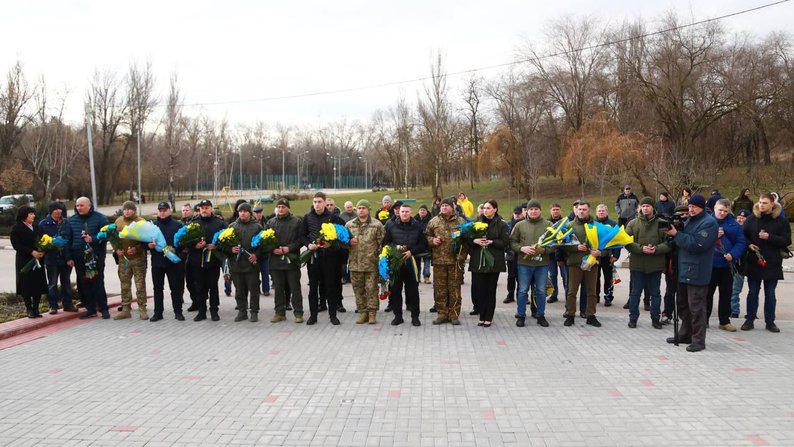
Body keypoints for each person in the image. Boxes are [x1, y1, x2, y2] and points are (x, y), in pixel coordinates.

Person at [665, 194, 718, 352]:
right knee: (683, 305)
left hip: (698, 271)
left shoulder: (709, 223)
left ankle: (698, 340)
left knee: (696, 307)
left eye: (695, 207)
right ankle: (685, 334)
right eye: (690, 207)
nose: (691, 209)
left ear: (702, 207)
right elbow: (682, 240)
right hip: (683, 269)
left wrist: (677, 235)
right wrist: (673, 236)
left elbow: (697, 244)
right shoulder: (689, 221)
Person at [741, 193, 791, 333]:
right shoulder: (751, 219)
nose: (761, 205)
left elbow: (787, 240)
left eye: (765, 203)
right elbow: (743, 236)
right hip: (754, 261)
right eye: (760, 202)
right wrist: (749, 245)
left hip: (772, 262)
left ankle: (770, 321)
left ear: (772, 205)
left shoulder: (781, 221)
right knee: (752, 292)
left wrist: (770, 237)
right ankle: (749, 319)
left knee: (770, 293)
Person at [300, 192, 346, 325]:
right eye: (315, 202)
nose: (317, 204)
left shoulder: (333, 217)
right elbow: (302, 235)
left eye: (319, 201)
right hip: (313, 258)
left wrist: (330, 244)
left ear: (325, 203)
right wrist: (308, 244)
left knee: (330, 287)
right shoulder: (307, 217)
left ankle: (333, 316)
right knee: (313, 288)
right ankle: (313, 316)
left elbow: (342, 237)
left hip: (329, 258)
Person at [624, 197, 670, 329]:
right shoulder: (632, 223)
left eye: (648, 206)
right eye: (643, 206)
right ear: (640, 208)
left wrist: (656, 249)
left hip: (655, 264)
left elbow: (669, 243)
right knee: (635, 293)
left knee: (655, 293)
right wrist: (640, 248)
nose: (645, 208)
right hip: (638, 264)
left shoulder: (662, 223)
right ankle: (633, 318)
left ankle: (655, 319)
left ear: (653, 208)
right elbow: (626, 242)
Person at [62, 197, 110, 319]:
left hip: (96, 256)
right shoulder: (71, 221)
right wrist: (68, 257)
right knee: (84, 283)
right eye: (77, 206)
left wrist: (93, 239)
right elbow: (67, 240)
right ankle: (91, 309)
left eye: (81, 205)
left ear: (89, 206)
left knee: (98, 282)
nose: (79, 208)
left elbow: (107, 235)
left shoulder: (100, 218)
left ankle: (104, 309)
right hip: (78, 257)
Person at [463, 199, 508, 327]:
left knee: (490, 290)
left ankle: (489, 316)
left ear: (495, 209)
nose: (485, 210)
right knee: (480, 289)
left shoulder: (501, 224)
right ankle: (481, 316)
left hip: (493, 261)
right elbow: (467, 239)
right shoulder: (476, 222)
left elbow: (505, 242)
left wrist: (492, 242)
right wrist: (475, 241)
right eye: (484, 208)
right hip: (478, 260)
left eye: (488, 208)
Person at [509, 199, 553, 327]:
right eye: (531, 209)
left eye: (536, 209)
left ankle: (540, 315)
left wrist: (544, 250)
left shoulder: (548, 224)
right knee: (523, 290)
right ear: (526, 211)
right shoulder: (519, 225)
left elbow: (555, 244)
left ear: (540, 210)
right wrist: (522, 249)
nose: (533, 211)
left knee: (540, 291)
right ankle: (521, 315)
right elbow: (512, 242)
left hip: (542, 265)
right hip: (524, 264)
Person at [383, 203, 428, 326]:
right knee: (396, 291)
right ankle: (398, 316)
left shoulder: (417, 226)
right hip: (396, 264)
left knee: (413, 291)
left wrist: (411, 252)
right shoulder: (391, 225)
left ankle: (415, 317)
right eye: (402, 211)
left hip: (412, 263)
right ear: (399, 212)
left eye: (407, 212)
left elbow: (423, 244)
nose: (404, 214)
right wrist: (395, 247)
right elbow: (385, 243)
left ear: (411, 212)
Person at [425, 197, 467, 325]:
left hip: (455, 261)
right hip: (439, 261)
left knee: (454, 289)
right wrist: (432, 241)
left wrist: (462, 256)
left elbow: (466, 240)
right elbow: (427, 235)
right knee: (440, 289)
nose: (444, 208)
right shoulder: (434, 221)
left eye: (446, 206)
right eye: (442, 206)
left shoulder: (461, 221)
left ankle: (454, 314)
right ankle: (442, 314)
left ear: (452, 207)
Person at [707, 199, 745, 332]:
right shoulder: (707, 222)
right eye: (720, 210)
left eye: (725, 211)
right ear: (714, 208)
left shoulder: (734, 224)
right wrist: (713, 236)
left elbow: (741, 243)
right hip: (709, 265)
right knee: (707, 293)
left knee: (726, 294)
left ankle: (724, 321)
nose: (722, 213)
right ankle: (704, 320)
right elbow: (699, 239)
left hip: (727, 266)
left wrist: (733, 254)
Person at [264, 198, 304, 323]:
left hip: (291, 262)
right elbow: (264, 240)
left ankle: (298, 313)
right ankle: (279, 313)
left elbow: (301, 240)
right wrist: (272, 249)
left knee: (295, 288)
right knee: (278, 289)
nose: (281, 209)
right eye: (279, 207)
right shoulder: (270, 222)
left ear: (288, 208)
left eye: (283, 207)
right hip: (275, 262)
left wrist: (289, 248)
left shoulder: (297, 221)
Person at [563, 202, 602, 327]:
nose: (581, 211)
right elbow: (562, 246)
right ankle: (570, 315)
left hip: (592, 264)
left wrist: (600, 252)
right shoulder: (569, 226)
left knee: (592, 291)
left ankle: (590, 315)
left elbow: (606, 245)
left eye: (584, 209)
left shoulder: (597, 226)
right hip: (575, 264)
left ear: (589, 211)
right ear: (576, 210)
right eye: (579, 209)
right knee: (571, 291)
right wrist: (575, 247)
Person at [187, 199, 227, 322]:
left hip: (213, 262)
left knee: (213, 286)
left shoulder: (219, 223)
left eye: (206, 207)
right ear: (199, 209)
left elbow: (227, 240)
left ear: (211, 209)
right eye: (202, 208)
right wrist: (195, 245)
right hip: (197, 262)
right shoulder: (193, 223)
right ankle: (202, 311)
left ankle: (214, 311)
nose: (204, 210)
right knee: (200, 287)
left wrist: (216, 246)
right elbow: (185, 241)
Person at [346, 199, 385, 324]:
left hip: (371, 264)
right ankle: (363, 312)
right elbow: (342, 243)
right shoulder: (349, 225)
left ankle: (372, 313)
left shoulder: (377, 225)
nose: (361, 210)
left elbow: (381, 244)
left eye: (363, 208)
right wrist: (348, 242)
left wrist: (379, 260)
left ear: (368, 209)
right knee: (358, 290)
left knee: (371, 289)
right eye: (359, 208)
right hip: (354, 264)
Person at [224, 202, 262, 322]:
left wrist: (256, 255)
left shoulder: (257, 226)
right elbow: (223, 245)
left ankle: (254, 312)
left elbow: (264, 245)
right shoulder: (232, 227)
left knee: (254, 290)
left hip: (251, 265)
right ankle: (242, 311)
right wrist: (230, 249)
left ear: (249, 212)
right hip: (237, 265)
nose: (242, 213)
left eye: (245, 211)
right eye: (240, 211)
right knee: (239, 290)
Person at [148, 202, 185, 321]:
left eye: (164, 210)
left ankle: (178, 312)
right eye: (160, 210)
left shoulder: (177, 225)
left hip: (172, 262)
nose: (162, 212)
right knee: (157, 288)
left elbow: (183, 243)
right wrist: (149, 246)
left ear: (169, 211)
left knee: (175, 288)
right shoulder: (152, 225)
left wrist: (175, 249)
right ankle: (158, 313)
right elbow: (144, 243)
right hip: (157, 262)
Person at [113, 201, 149, 320]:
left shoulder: (141, 222)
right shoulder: (118, 221)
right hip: (124, 259)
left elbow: (146, 241)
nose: (127, 211)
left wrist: (136, 249)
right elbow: (113, 237)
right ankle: (126, 309)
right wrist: (116, 249)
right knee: (125, 285)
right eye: (125, 209)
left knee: (140, 285)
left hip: (138, 259)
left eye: (129, 209)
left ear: (134, 210)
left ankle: (142, 308)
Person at [39, 202, 76, 314]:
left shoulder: (66, 223)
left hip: (66, 259)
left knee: (66, 283)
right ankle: (53, 306)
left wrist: (70, 258)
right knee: (52, 284)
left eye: (60, 209)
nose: (58, 211)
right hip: (52, 260)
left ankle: (68, 304)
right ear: (51, 211)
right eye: (55, 209)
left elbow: (70, 241)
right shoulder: (43, 224)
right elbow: (40, 242)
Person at [11, 206, 48, 318]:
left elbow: (43, 240)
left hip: (38, 260)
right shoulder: (17, 228)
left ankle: (36, 309)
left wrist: (43, 251)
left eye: (33, 214)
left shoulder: (36, 227)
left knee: (38, 283)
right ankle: (29, 308)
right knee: (26, 284)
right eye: (31, 214)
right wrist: (31, 252)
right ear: (24, 215)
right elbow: (16, 245)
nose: (33, 216)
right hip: (24, 260)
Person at [593, 204, 619, 307]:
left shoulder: (613, 224)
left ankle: (608, 297)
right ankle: (595, 297)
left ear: (607, 212)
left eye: (603, 211)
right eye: (599, 211)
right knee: (595, 278)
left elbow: (617, 241)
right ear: (596, 213)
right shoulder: (592, 224)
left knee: (609, 278)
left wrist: (616, 255)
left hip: (608, 256)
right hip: (595, 256)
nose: (601, 212)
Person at [730, 209, 751, 318]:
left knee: (735, 289)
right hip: (729, 263)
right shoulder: (732, 228)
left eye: (743, 217)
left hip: (740, 264)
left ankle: (734, 311)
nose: (740, 219)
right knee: (728, 289)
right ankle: (729, 310)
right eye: (739, 217)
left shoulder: (749, 232)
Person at [503, 205, 524, 305]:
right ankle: (510, 295)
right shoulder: (508, 225)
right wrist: (508, 250)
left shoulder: (525, 224)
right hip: (511, 256)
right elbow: (506, 239)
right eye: (516, 213)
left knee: (521, 278)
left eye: (519, 213)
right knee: (511, 277)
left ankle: (522, 296)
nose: (517, 215)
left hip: (522, 255)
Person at [547, 203, 568, 304]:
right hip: (550, 255)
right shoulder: (547, 223)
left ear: (560, 210)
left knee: (565, 276)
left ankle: (568, 294)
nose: (555, 211)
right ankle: (554, 294)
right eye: (553, 209)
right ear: (550, 211)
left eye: (557, 209)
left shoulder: (565, 223)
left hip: (563, 256)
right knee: (552, 276)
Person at [180, 203, 199, 312]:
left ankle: (198, 301)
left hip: (194, 255)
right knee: (186, 282)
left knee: (195, 281)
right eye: (183, 210)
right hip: (182, 256)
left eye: (187, 210)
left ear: (191, 211)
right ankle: (193, 301)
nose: (185, 212)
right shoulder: (178, 224)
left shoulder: (196, 222)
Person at [252, 205, 272, 298]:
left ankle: (266, 290)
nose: (258, 214)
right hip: (254, 252)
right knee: (255, 273)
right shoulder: (251, 223)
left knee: (265, 273)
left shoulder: (267, 222)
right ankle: (256, 289)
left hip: (264, 253)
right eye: (256, 213)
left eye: (259, 212)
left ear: (262, 212)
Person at [414, 204, 433, 285]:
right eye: (421, 210)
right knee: (417, 262)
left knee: (427, 262)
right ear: (419, 211)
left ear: (426, 211)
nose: (422, 211)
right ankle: (417, 277)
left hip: (427, 244)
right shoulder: (414, 219)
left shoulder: (431, 220)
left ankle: (426, 277)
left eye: (424, 210)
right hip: (417, 244)